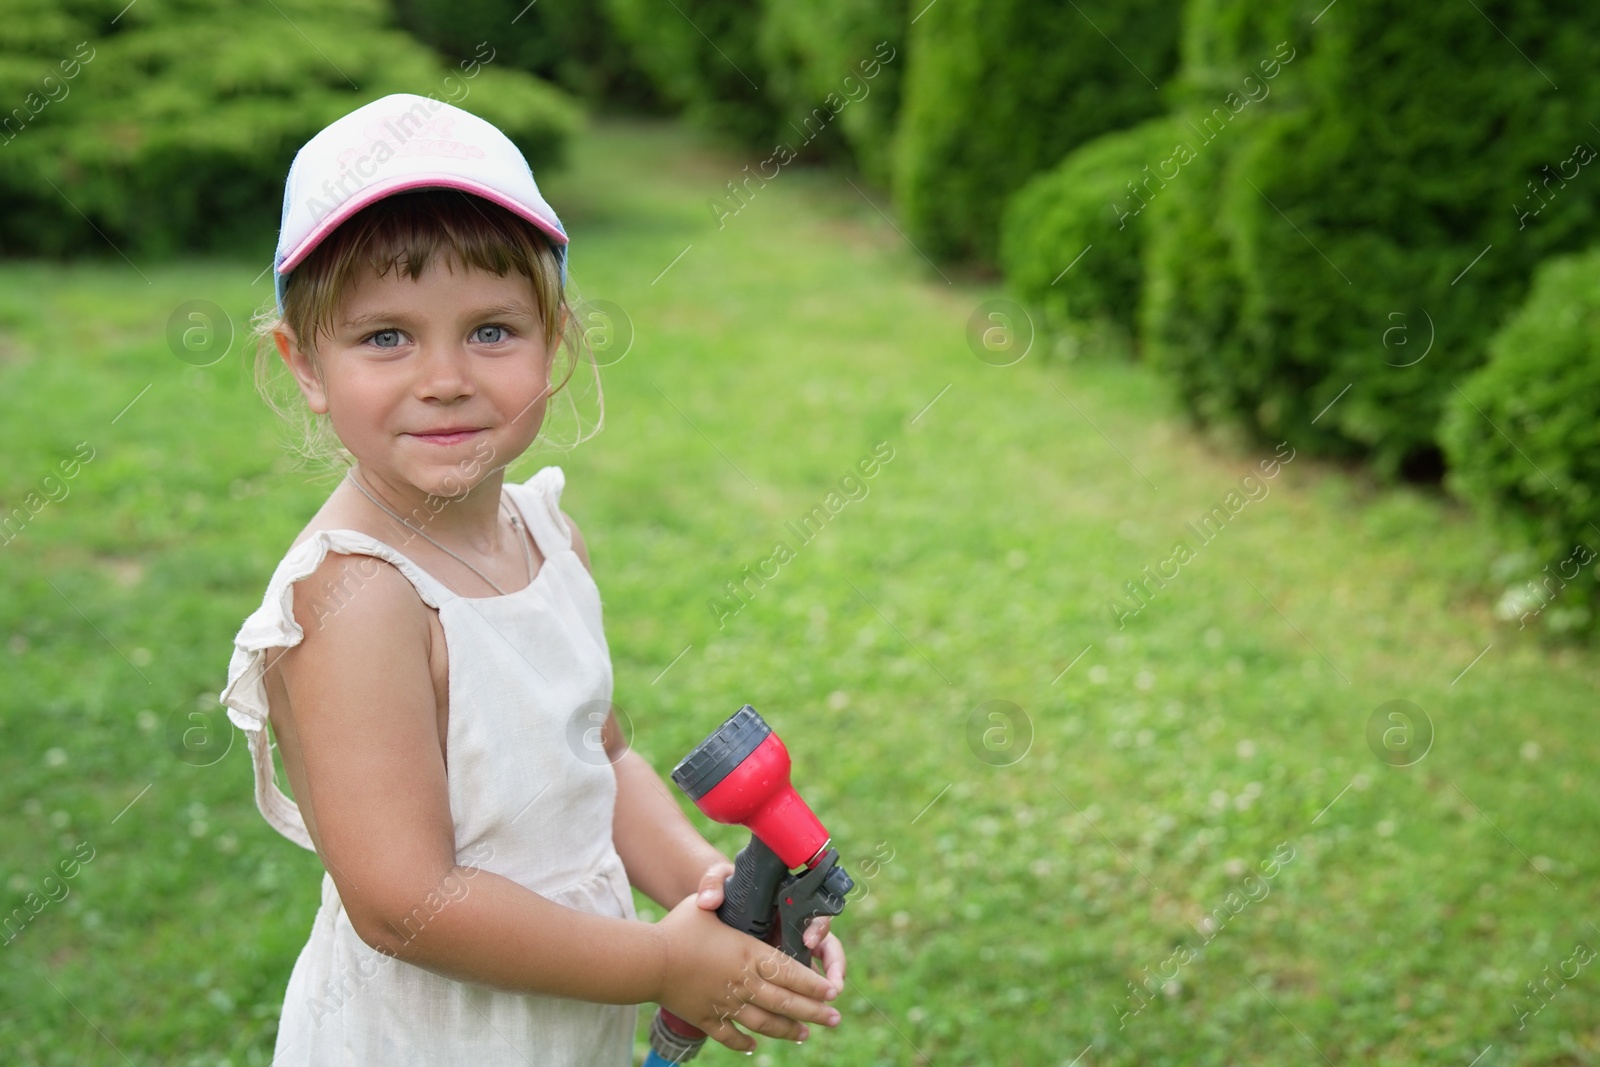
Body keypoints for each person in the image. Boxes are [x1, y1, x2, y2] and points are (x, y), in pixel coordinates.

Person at [218, 93, 845, 1065]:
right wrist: (657, 965)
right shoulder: (355, 598)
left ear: (555, 340)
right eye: (385, 336)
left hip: (564, 1008)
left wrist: (705, 896)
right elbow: (406, 903)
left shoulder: (547, 534)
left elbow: (602, 756)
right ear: (305, 365)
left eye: (492, 330)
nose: (445, 377)